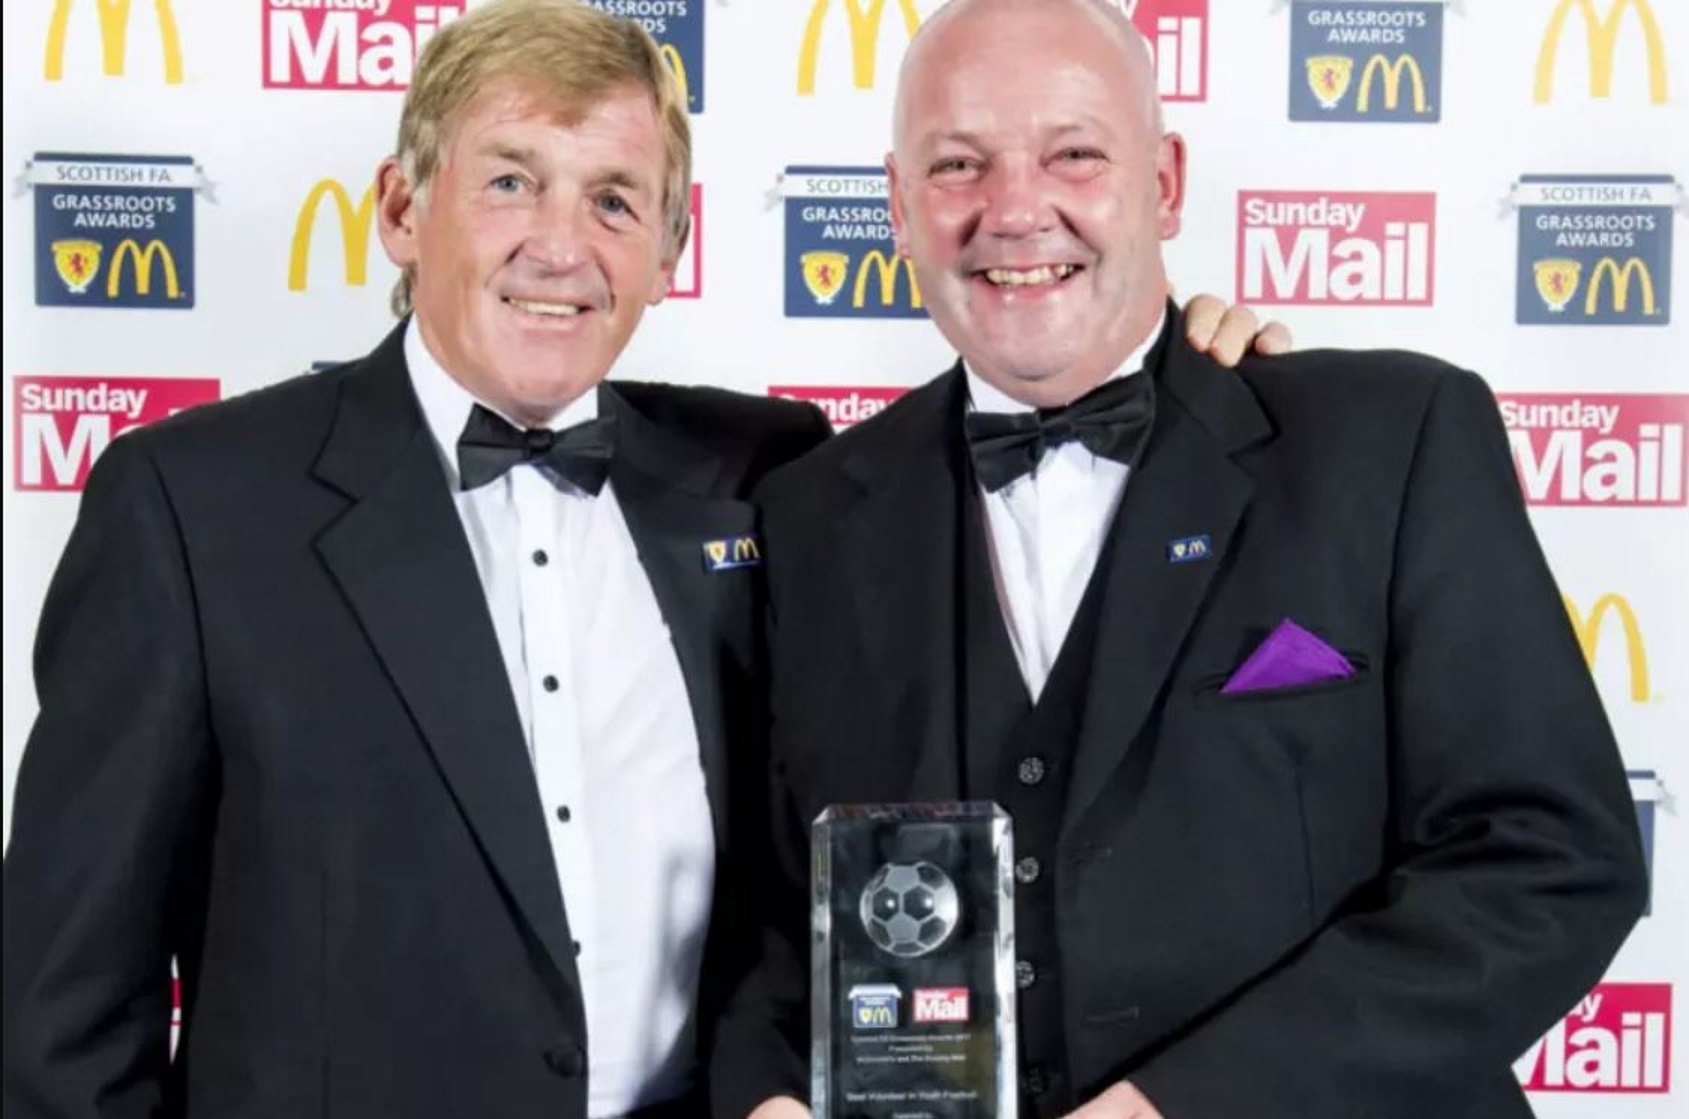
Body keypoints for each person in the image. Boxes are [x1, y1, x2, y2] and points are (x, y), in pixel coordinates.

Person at [0, 2, 1281, 1117]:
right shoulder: (192, 506)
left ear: (669, 251)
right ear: (401, 209)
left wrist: (1201, 379)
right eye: (510, 181)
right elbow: (65, 1007)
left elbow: (1041, 448)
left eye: (614, 200)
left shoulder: (766, 476)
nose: (561, 246)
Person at [714, 2, 1648, 1118]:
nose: (1016, 210)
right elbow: (780, 914)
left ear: (1163, 184)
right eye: (959, 164)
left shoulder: (1390, 440)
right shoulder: (811, 510)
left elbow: (1550, 861)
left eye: (1073, 153)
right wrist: (767, 1090)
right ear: (898, 208)